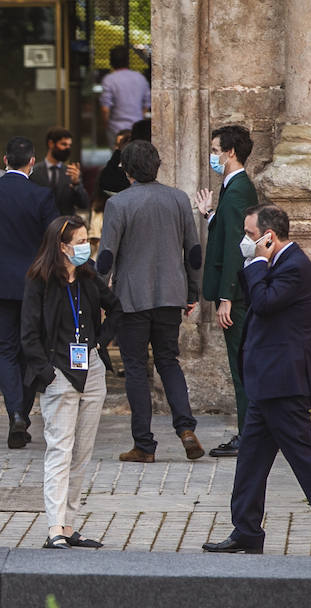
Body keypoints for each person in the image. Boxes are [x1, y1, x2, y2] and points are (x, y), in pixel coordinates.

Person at [203, 204, 311, 557]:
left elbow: (263, 303)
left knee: (304, 458)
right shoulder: (279, 264)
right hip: (268, 383)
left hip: (285, 384)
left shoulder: (295, 267)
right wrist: (259, 265)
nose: (245, 242)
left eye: (250, 235)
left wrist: (258, 262)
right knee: (250, 457)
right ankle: (246, 530)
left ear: (270, 237)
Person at [96, 140, 203, 462]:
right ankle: (185, 428)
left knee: (135, 368)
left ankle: (144, 444)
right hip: (171, 294)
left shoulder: (119, 204)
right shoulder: (179, 199)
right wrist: (192, 293)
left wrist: (101, 295)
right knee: (169, 361)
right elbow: (194, 252)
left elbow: (106, 257)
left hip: (132, 298)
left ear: (126, 170)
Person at [21, 216, 119, 549]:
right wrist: (46, 372)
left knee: (82, 452)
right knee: (60, 450)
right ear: (62, 247)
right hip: (59, 371)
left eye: (86, 241)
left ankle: (69, 523)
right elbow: (28, 334)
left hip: (90, 369)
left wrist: (100, 343)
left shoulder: (89, 277)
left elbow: (115, 308)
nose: (84, 248)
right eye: (78, 242)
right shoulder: (40, 280)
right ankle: (54, 528)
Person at [0, 136, 58, 449]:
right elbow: (53, 244)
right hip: (34, 283)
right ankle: (22, 412)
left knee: (4, 349)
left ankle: (15, 414)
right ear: (32, 162)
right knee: (32, 349)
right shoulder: (42, 196)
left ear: (4, 161)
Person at [194, 125, 260, 458]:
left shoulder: (236, 191)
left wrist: (226, 298)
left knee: (241, 365)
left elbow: (236, 248)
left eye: (216, 149)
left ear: (230, 152)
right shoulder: (233, 189)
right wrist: (209, 215)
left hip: (235, 296)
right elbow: (229, 231)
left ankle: (249, 434)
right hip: (235, 293)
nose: (213, 156)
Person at [29, 127, 89, 217]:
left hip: (65, 226)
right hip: (40, 226)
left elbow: (84, 204)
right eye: (64, 144)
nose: (67, 148)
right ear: (51, 144)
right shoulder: (34, 172)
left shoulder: (72, 173)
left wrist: (76, 184)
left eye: (69, 145)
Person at [99, 46, 150, 147]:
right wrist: (139, 118)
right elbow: (147, 104)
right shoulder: (140, 78)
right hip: (136, 128)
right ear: (128, 61)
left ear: (111, 62)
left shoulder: (109, 80)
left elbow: (105, 109)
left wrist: (106, 125)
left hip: (115, 128)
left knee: (117, 157)